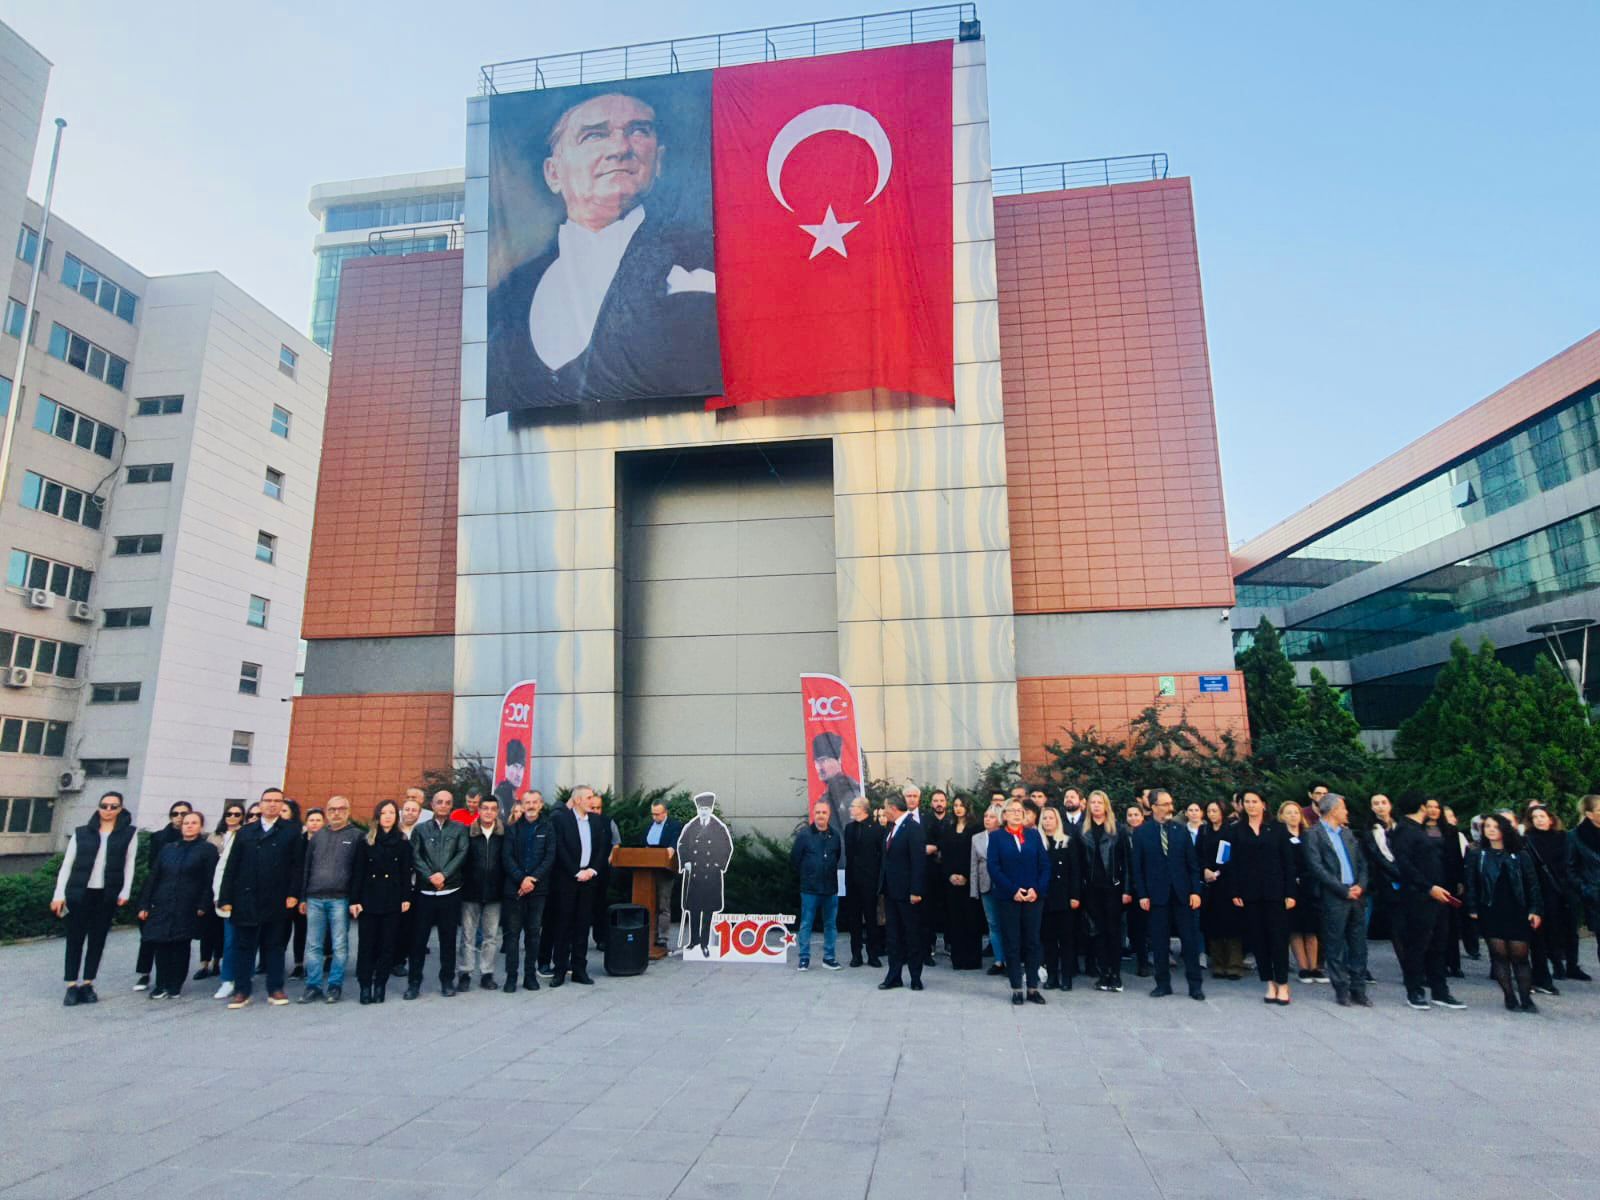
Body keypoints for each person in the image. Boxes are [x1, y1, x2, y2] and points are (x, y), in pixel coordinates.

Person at [487, 90, 722, 411]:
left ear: (660, 162)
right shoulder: (512, 293)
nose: (620, 148)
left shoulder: (703, 257)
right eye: (594, 135)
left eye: (639, 131)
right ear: (553, 173)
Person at [216, 788, 305, 1009]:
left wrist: (294, 894)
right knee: (244, 945)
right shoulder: (245, 832)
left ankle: (275, 988)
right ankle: (242, 990)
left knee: (274, 945)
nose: (272, 805)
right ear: (261, 804)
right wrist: (225, 897)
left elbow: (297, 866)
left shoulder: (292, 831)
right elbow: (231, 867)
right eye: (268, 801)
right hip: (246, 897)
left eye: (277, 801)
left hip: (277, 897)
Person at [52, 791, 138, 1006]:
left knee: (97, 940)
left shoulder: (128, 833)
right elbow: (67, 865)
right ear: (98, 807)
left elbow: (130, 864)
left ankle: (88, 983)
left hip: (106, 894)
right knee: (75, 939)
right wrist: (59, 894)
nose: (108, 810)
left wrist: (125, 891)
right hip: (80, 893)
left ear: (120, 809)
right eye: (104, 805)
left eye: (113, 806)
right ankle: (71, 985)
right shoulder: (82, 832)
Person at [1390, 792, 1467, 1011]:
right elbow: (1404, 864)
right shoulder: (1404, 830)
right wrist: (1428, 887)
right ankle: (1414, 990)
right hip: (1419, 895)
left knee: (1439, 943)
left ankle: (1440, 991)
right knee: (1418, 944)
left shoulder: (1418, 829)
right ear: (1422, 806)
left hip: (1438, 894)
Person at [1129, 790, 1205, 1001]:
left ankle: (1195, 985)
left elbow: (1192, 865)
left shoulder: (1180, 831)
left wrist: (1195, 891)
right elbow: (1137, 868)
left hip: (1182, 895)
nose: (1169, 808)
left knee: (1189, 941)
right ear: (1153, 807)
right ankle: (1162, 984)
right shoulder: (1142, 833)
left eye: (1171, 803)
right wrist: (1142, 894)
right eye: (1164, 804)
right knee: (1160, 942)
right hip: (1156, 896)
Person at [1465, 813, 1544, 1013]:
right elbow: (1471, 883)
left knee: (1520, 956)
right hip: (1490, 909)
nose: (1491, 830)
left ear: (1504, 830)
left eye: (1495, 826)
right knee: (1499, 956)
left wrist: (1535, 909)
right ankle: (1509, 997)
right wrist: (1472, 908)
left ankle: (1526, 999)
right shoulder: (1478, 854)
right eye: (1487, 826)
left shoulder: (1520, 854)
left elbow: (1533, 884)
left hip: (1518, 910)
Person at [135, 811, 218, 1000]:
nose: (189, 825)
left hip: (188, 904)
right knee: (161, 943)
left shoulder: (207, 850)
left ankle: (175, 985)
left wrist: (203, 905)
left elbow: (209, 880)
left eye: (194, 822)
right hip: (163, 901)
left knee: (180, 944)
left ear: (201, 826)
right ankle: (161, 983)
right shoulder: (168, 848)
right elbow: (154, 877)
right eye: (186, 823)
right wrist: (145, 904)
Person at [1227, 791, 1295, 1005]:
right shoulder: (1236, 831)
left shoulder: (1278, 829)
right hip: (1249, 893)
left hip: (1276, 892)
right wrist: (1235, 891)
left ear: (1264, 804)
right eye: (1247, 802)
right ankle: (1269, 982)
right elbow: (1233, 864)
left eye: (1254, 802)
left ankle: (1283, 983)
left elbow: (1289, 864)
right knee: (1258, 939)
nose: (1250, 806)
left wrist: (1291, 892)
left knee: (1278, 938)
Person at [1304, 793, 1371, 1007]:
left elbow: (1362, 863)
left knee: (1358, 944)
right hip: (1334, 897)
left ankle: (1359, 988)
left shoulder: (1348, 834)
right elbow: (1316, 867)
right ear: (1333, 810)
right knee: (1334, 944)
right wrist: (1342, 890)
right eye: (1343, 808)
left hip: (1356, 896)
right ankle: (1341, 988)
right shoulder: (1314, 834)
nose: (1346, 812)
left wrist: (1360, 885)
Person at [298, 795, 362, 1004]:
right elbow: (306, 866)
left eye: (341, 809)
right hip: (314, 897)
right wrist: (303, 897)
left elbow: (358, 871)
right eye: (332, 809)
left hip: (340, 899)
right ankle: (313, 985)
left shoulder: (356, 836)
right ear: (327, 812)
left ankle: (335, 985)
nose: (336, 813)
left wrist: (355, 899)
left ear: (348, 811)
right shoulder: (317, 836)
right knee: (314, 945)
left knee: (339, 945)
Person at [406, 788, 470, 999]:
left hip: (450, 892)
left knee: (448, 940)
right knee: (418, 940)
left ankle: (447, 981)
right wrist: (431, 876)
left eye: (447, 802)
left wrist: (444, 874)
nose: (443, 805)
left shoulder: (460, 829)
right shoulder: (421, 829)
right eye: (439, 802)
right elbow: (415, 856)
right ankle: (414, 982)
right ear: (432, 805)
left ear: (451, 805)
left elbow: (462, 853)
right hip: (424, 893)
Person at [549, 785, 613, 984]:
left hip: (589, 879)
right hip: (568, 880)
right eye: (588, 797)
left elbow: (603, 847)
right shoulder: (561, 820)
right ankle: (560, 969)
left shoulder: (596, 821)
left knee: (583, 925)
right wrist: (575, 871)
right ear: (577, 800)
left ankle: (579, 969)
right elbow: (559, 847)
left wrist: (592, 870)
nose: (592, 801)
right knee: (563, 925)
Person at [988, 799, 1050, 1005]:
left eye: (1020, 811)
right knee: (1012, 941)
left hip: (1033, 897)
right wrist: (1012, 890)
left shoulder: (1033, 835)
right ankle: (1016, 987)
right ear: (1004, 815)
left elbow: (1045, 865)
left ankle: (1033, 987)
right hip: (1009, 897)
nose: (1016, 814)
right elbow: (994, 868)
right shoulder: (997, 837)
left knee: (1032, 941)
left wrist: (1037, 889)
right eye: (1012, 811)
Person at [351, 800, 412, 1004]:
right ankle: (365, 985)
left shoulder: (402, 841)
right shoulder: (366, 841)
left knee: (387, 945)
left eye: (392, 813)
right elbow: (358, 872)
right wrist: (355, 900)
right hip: (368, 899)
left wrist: (406, 897)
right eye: (384, 812)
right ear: (377, 816)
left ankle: (380, 985)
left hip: (392, 899)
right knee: (367, 945)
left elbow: (405, 873)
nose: (388, 816)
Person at [1523, 803, 1584, 990]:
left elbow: (1573, 861)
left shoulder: (1564, 837)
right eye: (1535, 817)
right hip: (1542, 890)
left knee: (1568, 928)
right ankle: (1553, 966)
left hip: (1565, 889)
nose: (1539, 820)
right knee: (1545, 931)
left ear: (1551, 818)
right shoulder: (1528, 840)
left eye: (1542, 816)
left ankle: (1570, 966)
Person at [133, 800, 192, 990]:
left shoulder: (195, 841)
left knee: (173, 939)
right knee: (149, 935)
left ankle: (168, 978)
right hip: (157, 891)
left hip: (181, 895)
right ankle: (144, 973)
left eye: (184, 813)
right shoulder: (159, 838)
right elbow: (153, 869)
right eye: (175, 813)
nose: (179, 817)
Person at [502, 789, 556, 993]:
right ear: (522, 805)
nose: (531, 806)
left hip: (538, 889)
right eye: (527, 802)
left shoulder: (548, 828)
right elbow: (506, 858)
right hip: (514, 889)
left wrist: (532, 880)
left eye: (535, 802)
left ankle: (530, 976)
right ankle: (511, 977)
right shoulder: (512, 829)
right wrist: (521, 879)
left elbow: (550, 857)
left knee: (533, 934)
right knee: (512, 935)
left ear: (541, 804)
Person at [1082, 791, 1131, 992]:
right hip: (1092, 890)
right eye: (1092, 802)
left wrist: (1127, 889)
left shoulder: (1117, 830)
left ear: (1106, 806)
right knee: (1098, 932)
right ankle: (1104, 974)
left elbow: (1127, 862)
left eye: (1099, 802)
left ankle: (1116, 974)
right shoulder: (1083, 831)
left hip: (1114, 888)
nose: (1095, 806)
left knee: (1114, 931)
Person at [877, 791, 926, 992]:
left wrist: (916, 890)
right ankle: (894, 975)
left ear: (893, 808)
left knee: (912, 934)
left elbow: (918, 862)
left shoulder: (913, 828)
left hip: (908, 893)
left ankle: (915, 976)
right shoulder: (892, 828)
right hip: (891, 891)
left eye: (885, 807)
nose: (883, 811)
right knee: (893, 935)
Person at [675, 790, 731, 960]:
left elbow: (726, 847)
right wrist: (685, 861)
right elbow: (682, 844)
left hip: (711, 875)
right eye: (701, 808)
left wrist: (718, 865)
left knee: (707, 911)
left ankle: (705, 944)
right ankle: (693, 941)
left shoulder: (718, 827)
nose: (704, 811)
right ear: (697, 809)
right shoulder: (691, 827)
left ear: (711, 809)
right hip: (694, 875)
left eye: (706, 808)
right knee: (693, 909)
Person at [459, 796, 506, 991]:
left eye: (492, 809)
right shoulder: (467, 833)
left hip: (495, 892)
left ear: (497, 812)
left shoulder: (504, 834)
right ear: (478, 810)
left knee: (491, 936)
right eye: (485, 808)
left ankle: (487, 973)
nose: (488, 812)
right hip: (470, 891)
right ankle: (465, 972)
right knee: (467, 936)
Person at [791, 799, 843, 971]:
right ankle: (804, 958)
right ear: (814, 814)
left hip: (830, 889)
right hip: (810, 889)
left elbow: (837, 858)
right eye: (818, 812)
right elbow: (795, 860)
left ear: (829, 815)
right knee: (806, 923)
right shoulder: (804, 835)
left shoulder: (835, 836)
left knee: (830, 924)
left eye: (824, 812)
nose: (821, 815)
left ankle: (829, 958)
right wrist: (808, 876)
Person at [1279, 802, 1323, 984]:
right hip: (1291, 886)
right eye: (1288, 813)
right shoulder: (1280, 837)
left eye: (1295, 812)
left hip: (1310, 886)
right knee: (1295, 928)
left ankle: (1314, 967)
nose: (1293, 816)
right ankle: (1303, 967)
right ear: (1282, 816)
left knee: (1311, 929)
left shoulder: (1309, 835)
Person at [1037, 805, 1080, 991]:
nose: (1047, 821)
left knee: (1067, 939)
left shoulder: (1068, 842)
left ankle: (1067, 977)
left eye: (1051, 818)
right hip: (1045, 898)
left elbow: (1076, 872)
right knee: (1049, 940)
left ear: (1057, 821)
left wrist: (1075, 895)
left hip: (1064, 898)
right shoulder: (1037, 842)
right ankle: (1052, 976)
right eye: (1044, 818)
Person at [196, 806, 240, 983]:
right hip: (210, 884)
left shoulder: (242, 836)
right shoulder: (214, 836)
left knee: (224, 932)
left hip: (229, 887)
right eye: (229, 814)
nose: (232, 817)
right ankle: (204, 964)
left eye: (237, 814)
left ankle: (218, 962)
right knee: (208, 928)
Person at [1198, 800, 1241, 979]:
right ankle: (1217, 963)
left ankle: (1233, 964)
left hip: (1227, 881)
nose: (1212, 814)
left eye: (1215, 810)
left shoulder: (1230, 831)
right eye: (1209, 811)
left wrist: (1219, 871)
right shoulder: (1204, 830)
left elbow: (1233, 856)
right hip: (1209, 884)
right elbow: (1198, 853)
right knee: (1213, 923)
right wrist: (1205, 870)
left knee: (1231, 925)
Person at [207, 804, 245, 999]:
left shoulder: (251, 836)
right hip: (231, 899)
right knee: (230, 941)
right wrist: (219, 897)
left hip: (254, 899)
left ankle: (243, 978)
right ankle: (228, 979)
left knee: (248, 942)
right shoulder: (233, 839)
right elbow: (221, 870)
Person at [842, 797, 885, 969]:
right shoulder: (849, 828)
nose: (850, 809)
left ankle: (873, 954)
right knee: (854, 919)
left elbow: (881, 856)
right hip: (852, 881)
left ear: (863, 809)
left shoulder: (876, 829)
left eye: (853, 806)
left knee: (871, 918)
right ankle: (856, 954)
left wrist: (879, 881)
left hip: (870, 881)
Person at [942, 796, 983, 970]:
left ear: (967, 807)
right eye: (956, 805)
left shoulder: (976, 828)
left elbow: (976, 856)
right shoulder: (949, 828)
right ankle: (958, 959)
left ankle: (972, 959)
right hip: (952, 882)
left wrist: (966, 876)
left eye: (961, 805)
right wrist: (951, 875)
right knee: (955, 919)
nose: (958, 808)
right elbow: (946, 855)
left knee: (971, 919)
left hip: (970, 881)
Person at [1360, 793, 1403, 961]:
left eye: (1383, 802)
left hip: (1408, 877)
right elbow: (1377, 856)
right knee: (1396, 926)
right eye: (1375, 803)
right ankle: (1407, 966)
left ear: (1390, 805)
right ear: (1371, 808)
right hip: (1385, 881)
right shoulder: (1371, 830)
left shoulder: (1400, 825)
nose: (1380, 806)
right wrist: (1398, 873)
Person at [971, 804, 1007, 978]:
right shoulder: (977, 838)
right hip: (985, 885)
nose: (987, 819)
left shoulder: (1005, 836)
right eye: (985, 816)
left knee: (1007, 922)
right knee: (993, 923)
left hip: (1004, 885)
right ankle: (999, 960)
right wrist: (974, 890)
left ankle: (1010, 960)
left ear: (999, 819)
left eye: (991, 816)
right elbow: (973, 866)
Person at [640, 799, 682, 949]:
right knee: (647, 903)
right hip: (646, 871)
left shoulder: (674, 826)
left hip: (664, 870)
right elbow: (642, 845)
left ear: (665, 813)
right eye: (653, 814)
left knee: (663, 904)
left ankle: (662, 937)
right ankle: (646, 934)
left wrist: (670, 851)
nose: (655, 817)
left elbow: (672, 846)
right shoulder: (648, 825)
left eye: (658, 814)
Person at [811, 731, 862, 837]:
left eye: (823, 760)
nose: (819, 767)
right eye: (816, 762)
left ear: (838, 760)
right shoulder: (828, 793)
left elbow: (851, 834)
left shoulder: (850, 793)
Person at [1123, 804, 1150, 977]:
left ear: (1142, 816)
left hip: (1146, 885)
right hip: (1129, 885)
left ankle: (1144, 961)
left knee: (1145, 926)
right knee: (1134, 926)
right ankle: (1139, 958)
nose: (1133, 818)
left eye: (1136, 814)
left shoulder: (1148, 834)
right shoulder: (1123, 835)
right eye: (1130, 815)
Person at [494, 740, 526, 810]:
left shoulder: (512, 793)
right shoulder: (501, 793)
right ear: (506, 768)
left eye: (521, 768)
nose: (518, 774)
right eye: (515, 767)